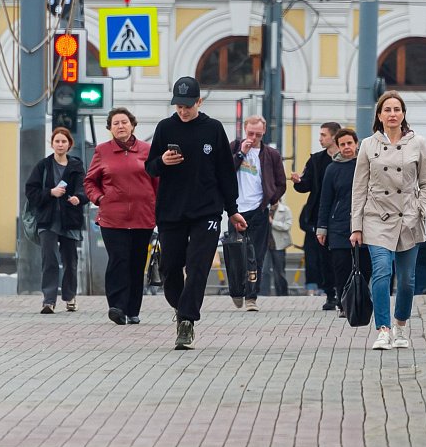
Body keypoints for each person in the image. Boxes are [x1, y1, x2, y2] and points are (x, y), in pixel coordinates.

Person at [146, 76, 247, 350]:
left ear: (199, 102)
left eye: (188, 105)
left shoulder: (213, 129)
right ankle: (182, 309)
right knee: (170, 269)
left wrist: (233, 210)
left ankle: (187, 321)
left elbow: (226, 173)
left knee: (198, 266)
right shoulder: (165, 128)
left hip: (207, 210)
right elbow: (150, 167)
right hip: (171, 211)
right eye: (178, 105)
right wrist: (162, 161)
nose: (183, 110)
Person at [350, 91, 426, 350]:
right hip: (377, 217)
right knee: (382, 272)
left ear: (404, 114)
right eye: (387, 109)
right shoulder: (367, 145)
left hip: (409, 218)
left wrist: (420, 207)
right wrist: (356, 226)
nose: (392, 114)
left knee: (407, 280)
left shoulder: (417, 143)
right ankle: (383, 329)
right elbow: (359, 188)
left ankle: (400, 325)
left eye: (397, 109)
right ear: (379, 115)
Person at [84, 108, 158, 325]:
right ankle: (116, 307)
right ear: (110, 128)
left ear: (132, 125)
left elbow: (157, 182)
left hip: (142, 216)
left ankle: (133, 309)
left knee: (136, 263)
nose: (120, 126)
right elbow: (90, 181)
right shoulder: (102, 151)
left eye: (124, 122)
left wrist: (158, 208)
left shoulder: (147, 150)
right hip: (112, 217)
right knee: (118, 260)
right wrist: (99, 198)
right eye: (115, 123)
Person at [25, 127, 89, 314]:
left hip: (70, 220)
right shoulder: (43, 166)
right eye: (57, 141)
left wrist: (79, 198)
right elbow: (31, 191)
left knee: (70, 261)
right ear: (51, 144)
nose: (60, 144)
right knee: (49, 260)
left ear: (69, 144)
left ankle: (70, 297)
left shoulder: (76, 166)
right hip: (47, 221)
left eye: (63, 141)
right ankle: (48, 300)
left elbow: (84, 189)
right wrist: (50, 193)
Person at [230, 115, 287, 309]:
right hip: (236, 209)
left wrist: (270, 199)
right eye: (250, 133)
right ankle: (237, 290)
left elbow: (281, 182)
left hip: (258, 210)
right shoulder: (234, 147)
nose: (253, 138)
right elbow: (224, 173)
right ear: (244, 130)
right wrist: (241, 154)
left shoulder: (271, 154)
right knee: (236, 253)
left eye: (258, 134)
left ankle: (251, 297)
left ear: (263, 134)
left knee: (257, 254)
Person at [316, 128, 372, 316]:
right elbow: (325, 200)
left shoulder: (366, 165)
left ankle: (361, 300)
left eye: (350, 143)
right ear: (338, 147)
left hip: (365, 225)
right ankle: (343, 304)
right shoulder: (332, 169)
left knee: (365, 266)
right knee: (341, 267)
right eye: (343, 144)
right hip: (339, 225)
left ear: (357, 144)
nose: (347, 147)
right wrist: (322, 228)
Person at [292, 121, 341, 310]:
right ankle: (330, 294)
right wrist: (298, 182)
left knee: (341, 257)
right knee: (323, 258)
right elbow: (306, 186)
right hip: (320, 216)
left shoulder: (347, 158)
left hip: (341, 215)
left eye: (323, 135)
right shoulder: (316, 160)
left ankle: (343, 292)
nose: (319, 138)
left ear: (334, 137)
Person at [264, 198, 292, 296]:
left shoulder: (285, 209)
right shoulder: (263, 209)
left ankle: (282, 294)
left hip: (279, 245)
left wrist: (273, 222)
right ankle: (263, 294)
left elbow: (287, 226)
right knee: (264, 270)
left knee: (279, 271)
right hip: (265, 245)